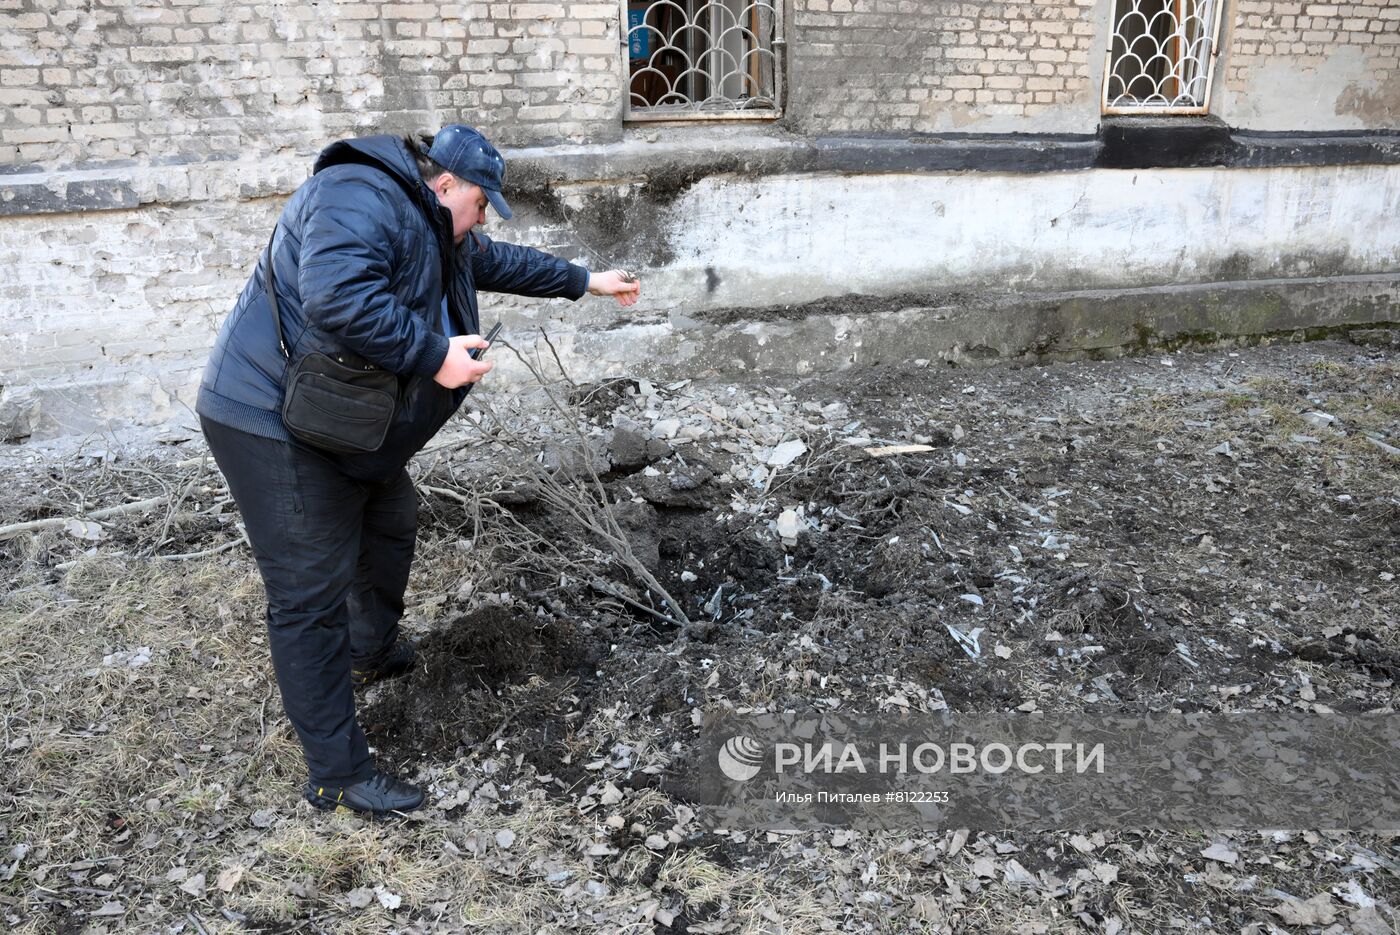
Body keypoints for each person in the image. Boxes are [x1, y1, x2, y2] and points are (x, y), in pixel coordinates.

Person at [195, 125, 639, 816]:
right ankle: (337, 775)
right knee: (308, 593)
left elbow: (498, 262)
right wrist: (433, 353)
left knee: (391, 517)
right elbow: (337, 298)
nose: (484, 218)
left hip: (338, 418)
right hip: (267, 415)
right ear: (445, 186)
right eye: (481, 203)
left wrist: (586, 281)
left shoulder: (435, 225)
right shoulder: (357, 195)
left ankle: (369, 649)